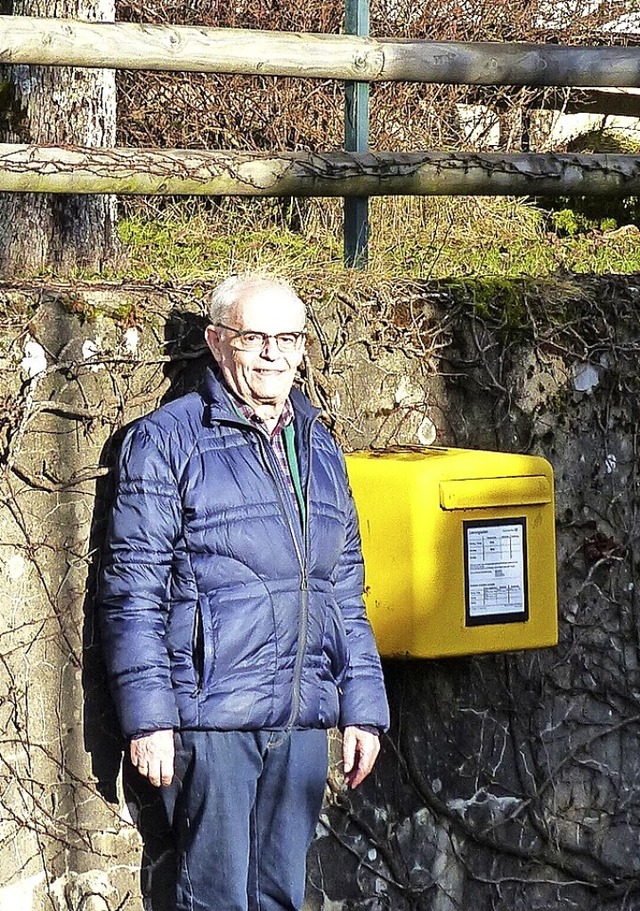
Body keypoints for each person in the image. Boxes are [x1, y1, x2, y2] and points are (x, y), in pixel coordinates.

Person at [100, 274, 390, 911]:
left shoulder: (318, 444)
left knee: (281, 897)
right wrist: (149, 718)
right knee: (215, 899)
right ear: (215, 341)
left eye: (288, 339)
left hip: (300, 716)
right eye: (254, 337)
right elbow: (134, 590)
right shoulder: (166, 441)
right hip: (213, 720)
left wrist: (362, 706)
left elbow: (343, 588)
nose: (272, 355)